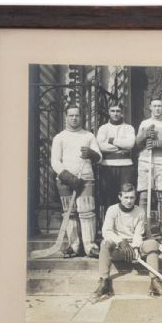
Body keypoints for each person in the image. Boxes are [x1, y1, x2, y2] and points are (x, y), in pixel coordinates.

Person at [91, 183, 162, 302]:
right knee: (105, 243)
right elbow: (107, 231)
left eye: (132, 197)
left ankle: (154, 281)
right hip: (118, 249)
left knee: (152, 244)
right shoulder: (112, 210)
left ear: (135, 198)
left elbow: (139, 233)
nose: (129, 201)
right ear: (120, 197)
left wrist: (136, 248)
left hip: (133, 249)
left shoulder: (140, 211)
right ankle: (104, 282)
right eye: (126, 197)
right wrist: (121, 242)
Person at [50, 105, 102, 258]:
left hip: (85, 178)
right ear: (66, 117)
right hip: (65, 179)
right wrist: (68, 177)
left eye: (77, 115)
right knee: (69, 213)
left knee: (87, 211)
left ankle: (90, 245)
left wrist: (91, 154)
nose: (74, 118)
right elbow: (55, 161)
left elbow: (99, 158)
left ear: (81, 117)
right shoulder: (59, 137)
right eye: (71, 115)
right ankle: (74, 245)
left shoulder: (88, 136)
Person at [136, 95, 162, 239]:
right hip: (146, 161)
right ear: (150, 107)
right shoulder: (144, 123)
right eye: (154, 106)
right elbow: (136, 142)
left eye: (159, 106)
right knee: (144, 195)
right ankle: (143, 225)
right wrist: (144, 136)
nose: (157, 109)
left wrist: (158, 143)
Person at [96, 101, 135, 211]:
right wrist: (121, 147)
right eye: (113, 111)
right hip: (108, 165)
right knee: (109, 196)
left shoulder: (129, 128)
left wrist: (112, 140)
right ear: (109, 112)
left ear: (122, 113)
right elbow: (100, 146)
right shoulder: (103, 128)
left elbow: (130, 144)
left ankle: (124, 224)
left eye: (118, 111)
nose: (115, 113)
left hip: (126, 166)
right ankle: (110, 224)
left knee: (126, 195)